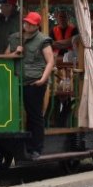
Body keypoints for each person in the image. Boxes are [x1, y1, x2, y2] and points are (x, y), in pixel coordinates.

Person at [7, 11, 55, 160]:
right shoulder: (15, 38)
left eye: (31, 24)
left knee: (34, 115)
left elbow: (50, 62)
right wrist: (15, 53)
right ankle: (20, 146)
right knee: (15, 114)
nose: (27, 25)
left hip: (34, 82)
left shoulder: (43, 40)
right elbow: (5, 56)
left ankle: (36, 148)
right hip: (15, 81)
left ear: (37, 26)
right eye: (26, 22)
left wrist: (42, 79)